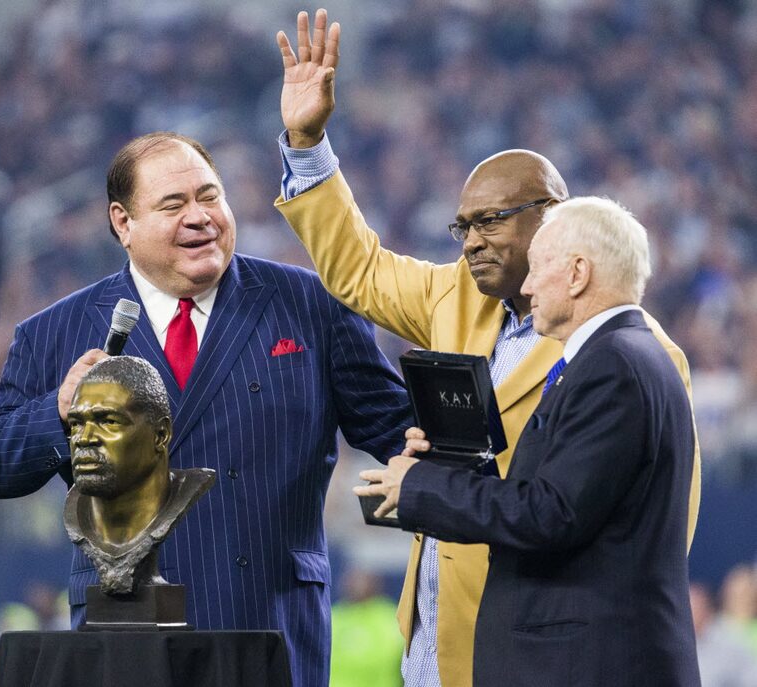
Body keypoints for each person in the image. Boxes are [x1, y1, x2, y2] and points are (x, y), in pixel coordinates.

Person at [274, 11, 701, 687]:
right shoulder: (455, 298)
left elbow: (650, 540)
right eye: (462, 225)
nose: (469, 240)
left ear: (554, 214)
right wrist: (307, 145)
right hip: (431, 637)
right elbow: (358, 270)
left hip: (538, 648)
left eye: (490, 221)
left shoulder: (638, 356)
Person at [0, 130, 412, 687]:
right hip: (126, 639)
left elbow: (397, 429)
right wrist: (59, 410)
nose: (201, 216)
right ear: (123, 223)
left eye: (210, 196)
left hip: (268, 626)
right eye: (174, 204)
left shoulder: (310, 304)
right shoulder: (53, 332)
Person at [357, 197, 701, 685]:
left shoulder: (613, 366)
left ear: (579, 273)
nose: (527, 285)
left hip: (588, 664)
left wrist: (419, 488)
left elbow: (548, 513)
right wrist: (443, 464)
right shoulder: (614, 359)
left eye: (538, 268)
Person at [63, 356, 215, 596]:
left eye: (108, 421)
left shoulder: (186, 490)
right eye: (76, 424)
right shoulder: (75, 512)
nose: (84, 438)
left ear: (161, 435)